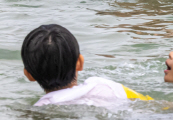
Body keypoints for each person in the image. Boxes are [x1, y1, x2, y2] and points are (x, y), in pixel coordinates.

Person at [21, 24, 152, 107]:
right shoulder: (103, 85)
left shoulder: (41, 108)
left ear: (29, 75)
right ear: (80, 63)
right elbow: (150, 104)